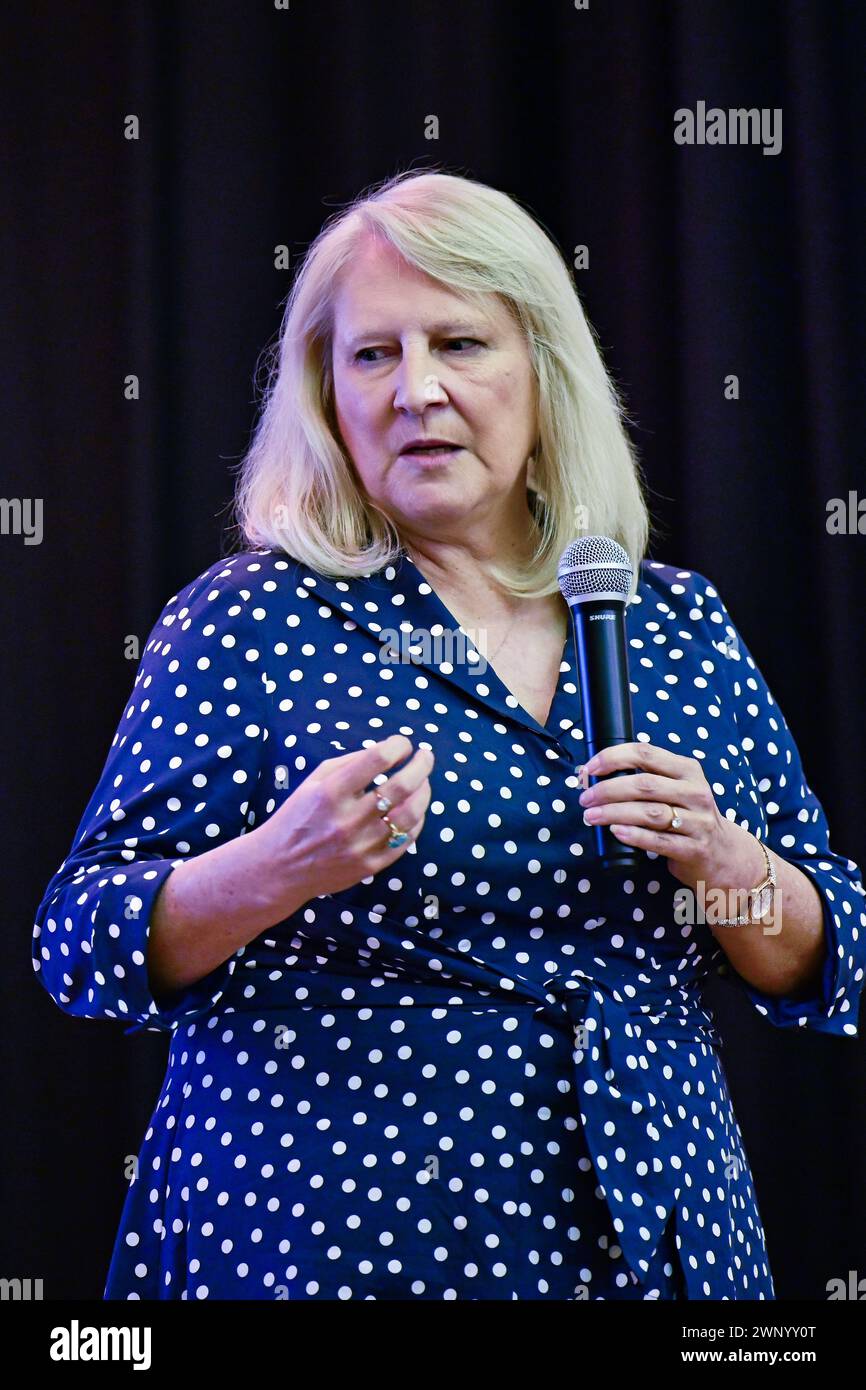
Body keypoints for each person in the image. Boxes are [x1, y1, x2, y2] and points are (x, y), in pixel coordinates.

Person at [33, 170, 865, 1301]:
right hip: (334, 1242)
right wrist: (277, 866)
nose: (415, 391)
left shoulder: (671, 621)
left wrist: (726, 865)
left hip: (660, 1231)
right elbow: (79, 942)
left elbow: (829, 955)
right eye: (372, 355)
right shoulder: (250, 618)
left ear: (542, 374)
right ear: (325, 394)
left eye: (459, 344)